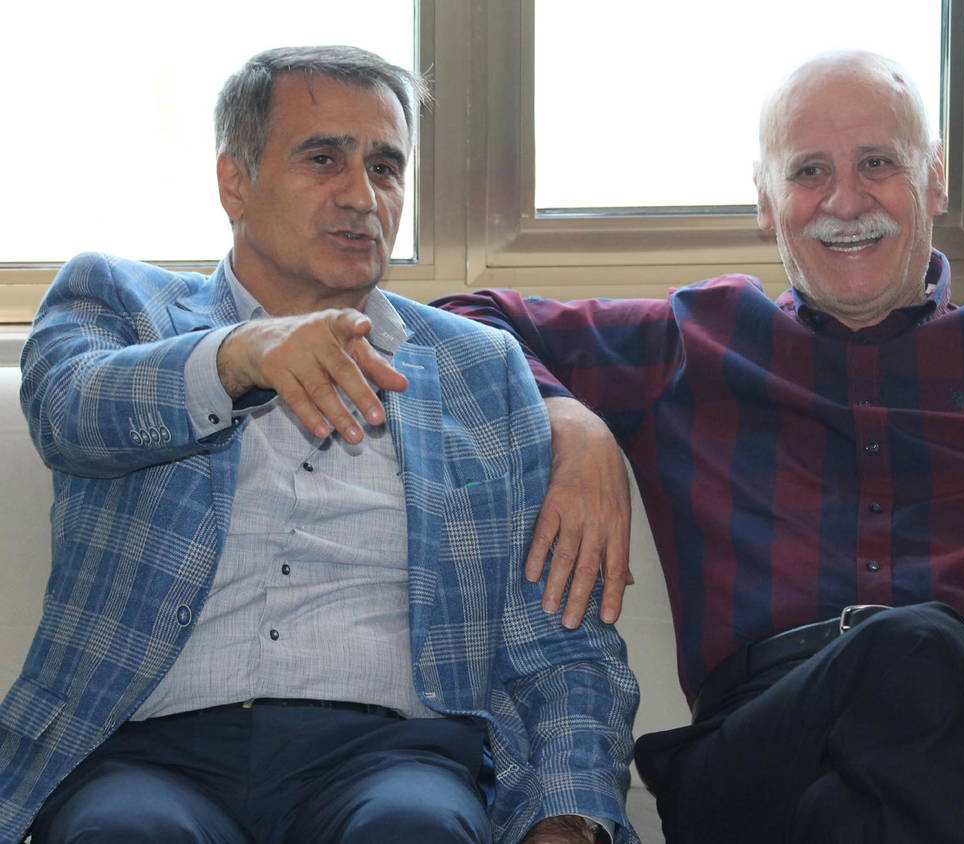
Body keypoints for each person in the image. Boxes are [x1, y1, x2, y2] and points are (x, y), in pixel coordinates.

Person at [435, 50, 964, 843]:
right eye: (809, 172)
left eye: (878, 162)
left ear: (934, 178)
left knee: (870, 776)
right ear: (765, 200)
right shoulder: (695, 339)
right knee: (914, 647)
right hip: (765, 741)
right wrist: (570, 418)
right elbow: (460, 322)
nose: (844, 201)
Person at [0, 46, 638, 844]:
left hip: (392, 758)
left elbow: (561, 639)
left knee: (416, 829)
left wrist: (567, 815)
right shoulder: (122, 304)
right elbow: (70, 410)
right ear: (235, 182)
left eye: (385, 167)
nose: (362, 196)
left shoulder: (479, 369)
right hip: (143, 754)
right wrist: (239, 356)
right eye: (324, 159)